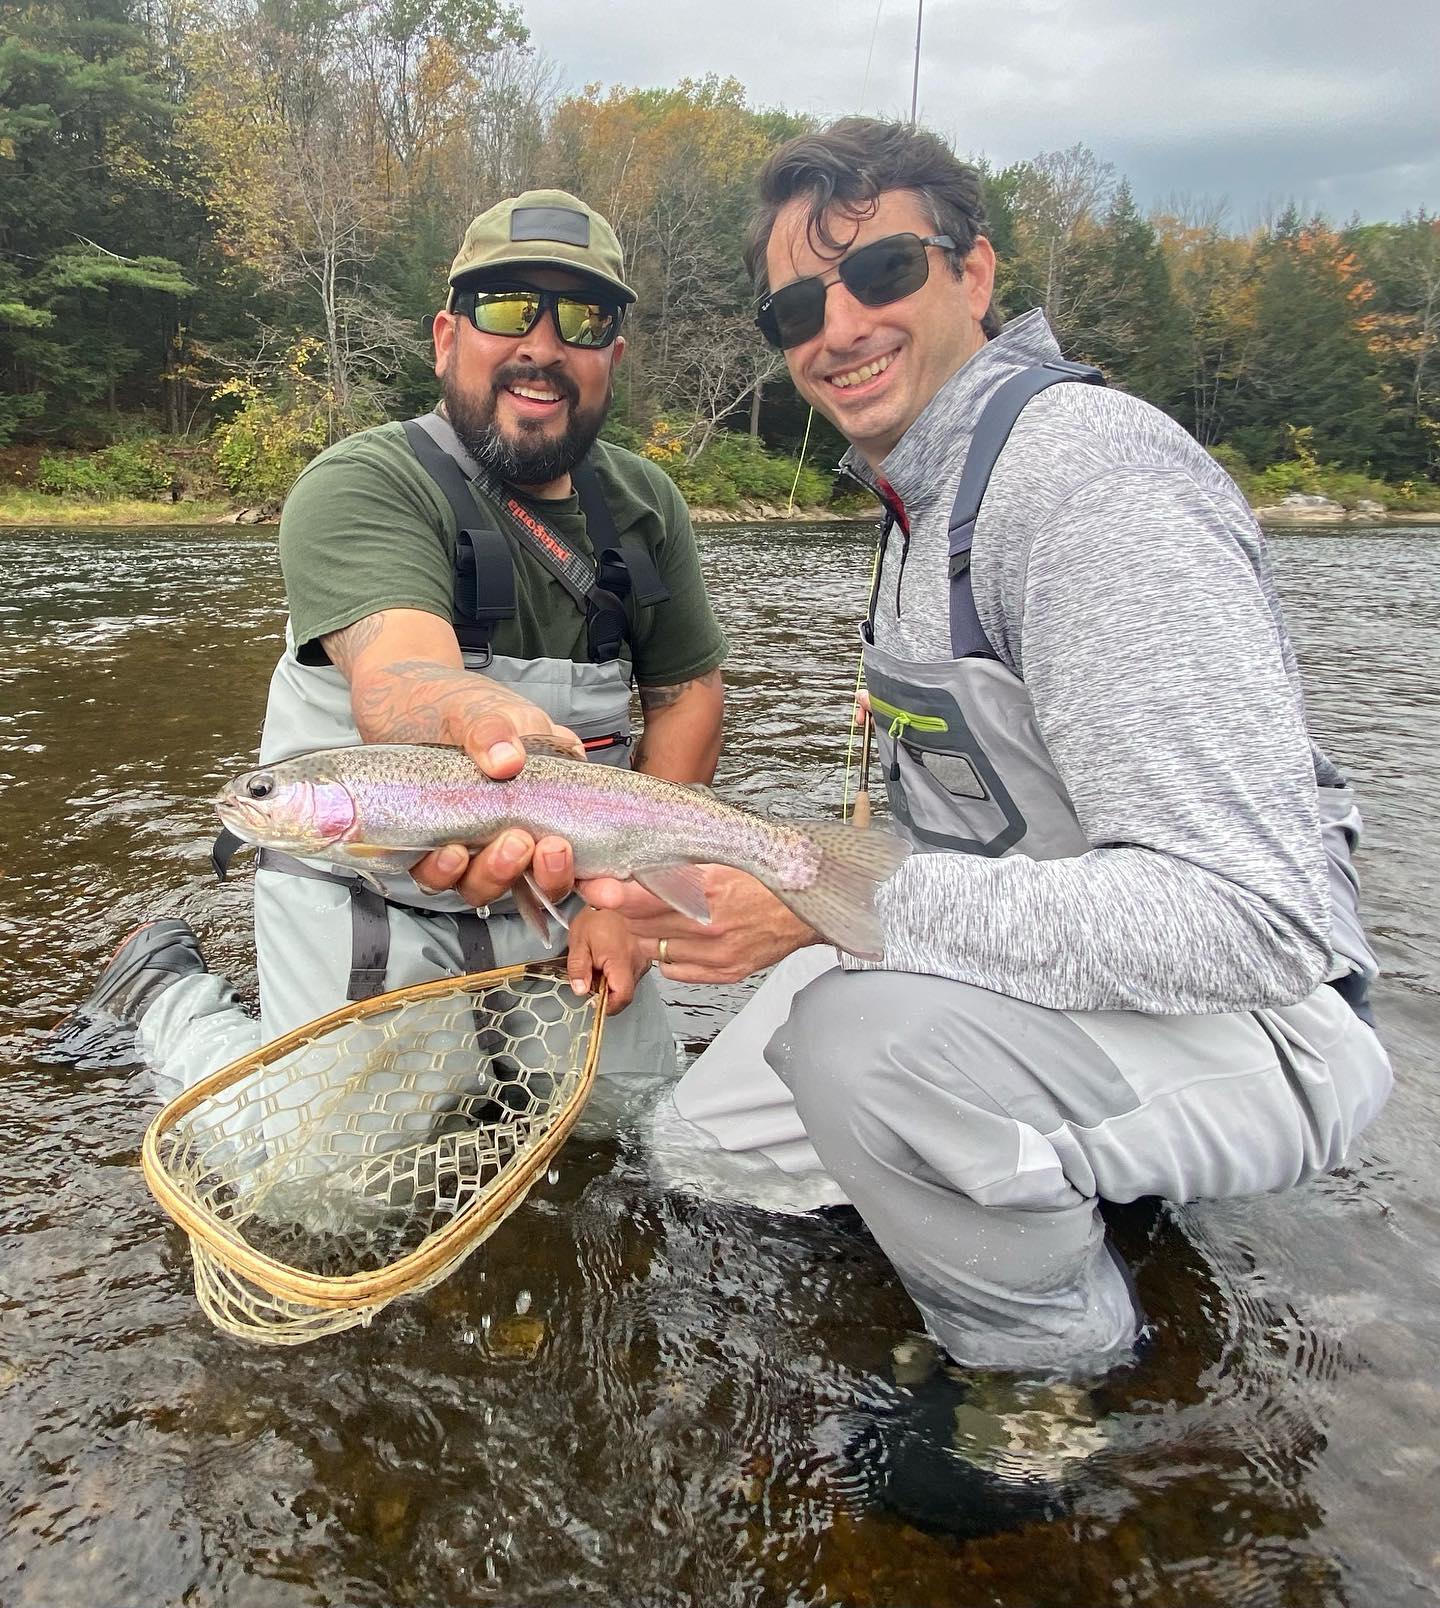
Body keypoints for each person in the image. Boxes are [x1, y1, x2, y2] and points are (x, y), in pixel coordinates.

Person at [585, 119, 1394, 1374]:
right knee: (707, 1155)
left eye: (883, 272)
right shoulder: (918, 500)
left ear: (974, 273)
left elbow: (1254, 919)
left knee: (856, 1053)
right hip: (1029, 977)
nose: (839, 327)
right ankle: (1060, 1181)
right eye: (798, 305)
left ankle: (1051, 1376)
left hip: (1261, 1020)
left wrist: (812, 901)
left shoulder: (1092, 487)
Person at [51, 188, 726, 1093]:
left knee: (631, 1134)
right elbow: (401, 669)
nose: (542, 343)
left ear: (614, 353)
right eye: (506, 307)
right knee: (327, 1198)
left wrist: (628, 903)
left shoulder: (649, 507)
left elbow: (687, 696)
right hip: (362, 885)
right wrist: (476, 715)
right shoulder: (361, 482)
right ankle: (165, 995)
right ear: (447, 336)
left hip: (563, 877)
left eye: (584, 317)